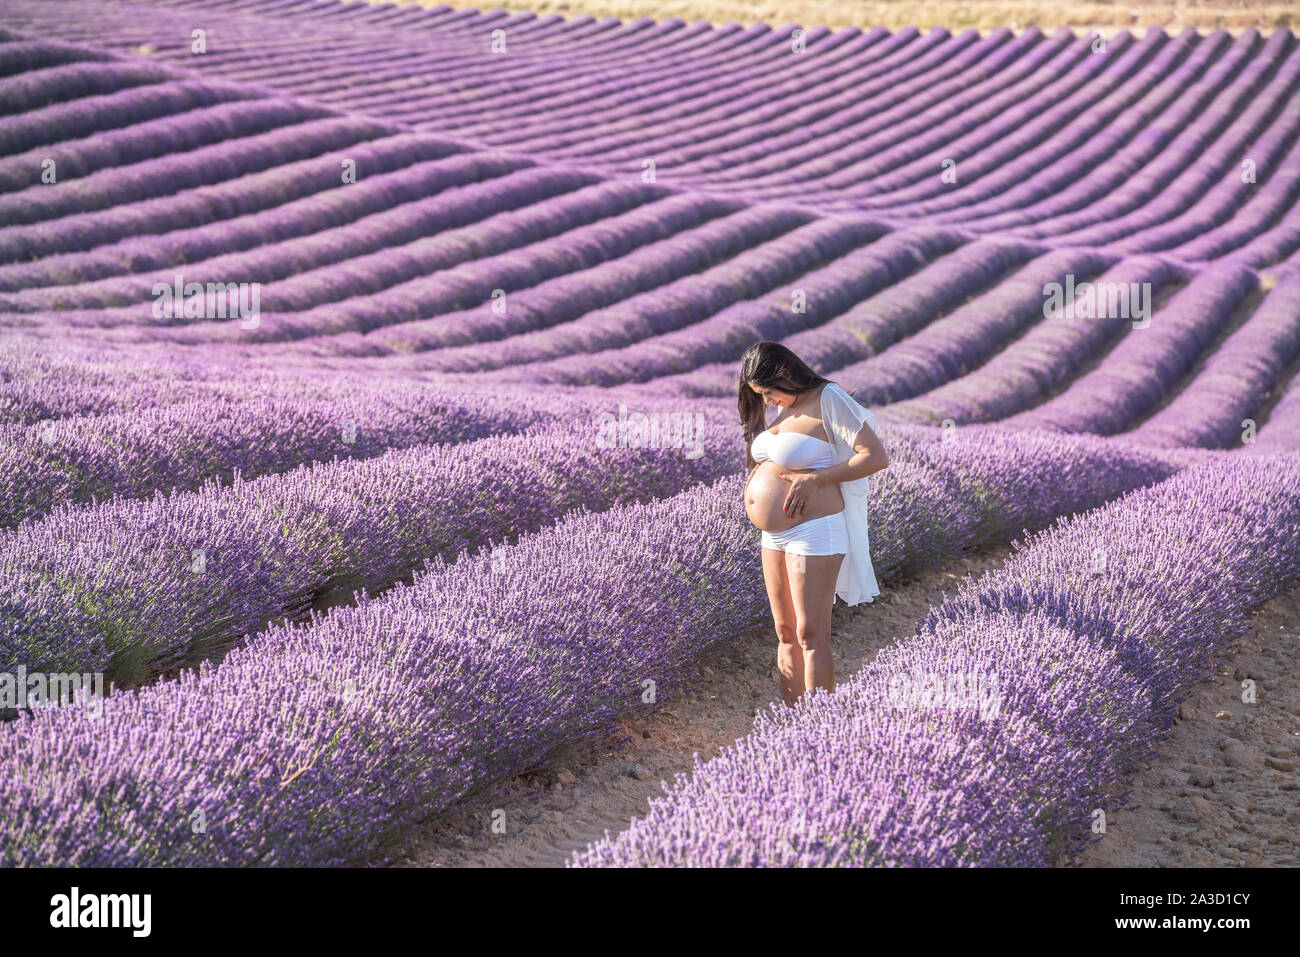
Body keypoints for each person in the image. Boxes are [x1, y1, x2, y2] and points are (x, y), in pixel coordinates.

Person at [738, 341, 889, 705]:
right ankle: (792, 725)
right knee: (785, 631)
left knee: (810, 633)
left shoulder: (828, 398)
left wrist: (818, 479)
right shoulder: (778, 412)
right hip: (772, 535)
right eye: (761, 395)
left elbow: (876, 456)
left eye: (770, 391)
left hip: (815, 528)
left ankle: (818, 727)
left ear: (786, 375)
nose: (768, 401)